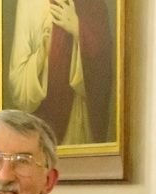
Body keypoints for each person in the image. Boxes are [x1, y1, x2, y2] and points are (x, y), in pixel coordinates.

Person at [8, 0, 113, 144]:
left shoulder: (92, 3)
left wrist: (78, 29)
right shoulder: (29, 3)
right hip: (41, 125)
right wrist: (40, 57)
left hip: (78, 119)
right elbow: (17, 82)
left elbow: (104, 70)